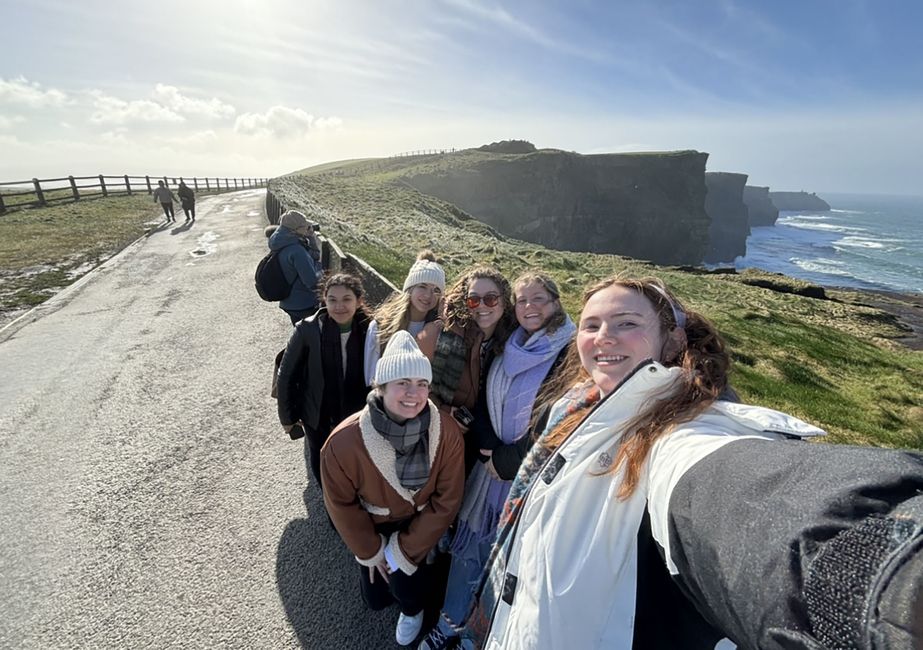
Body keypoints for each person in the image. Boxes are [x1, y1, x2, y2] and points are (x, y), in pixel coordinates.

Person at [462, 275, 923, 649]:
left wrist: (883, 570)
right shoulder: (575, 408)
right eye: (593, 325)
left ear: (672, 339)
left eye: (626, 323)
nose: (604, 338)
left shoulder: (681, 429)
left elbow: (738, 493)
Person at [419, 273, 575, 650]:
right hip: (487, 472)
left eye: (539, 299)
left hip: (528, 477)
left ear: (556, 303)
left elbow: (562, 420)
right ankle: (450, 622)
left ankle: (480, 635)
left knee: (510, 564)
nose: (530, 308)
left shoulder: (569, 354)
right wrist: (489, 447)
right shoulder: (510, 344)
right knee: (470, 551)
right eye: (523, 300)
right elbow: (484, 403)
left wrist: (506, 461)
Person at [321, 331, 466, 646]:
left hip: (421, 523)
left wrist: (404, 550)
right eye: (403, 383)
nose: (414, 394)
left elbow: (448, 498)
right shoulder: (343, 443)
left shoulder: (447, 432)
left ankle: (413, 609)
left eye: (422, 384)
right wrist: (371, 549)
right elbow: (341, 504)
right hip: (373, 525)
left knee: (407, 586)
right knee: (375, 598)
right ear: (381, 386)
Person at [416, 266, 517, 475]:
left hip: (483, 442)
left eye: (490, 299)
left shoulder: (512, 344)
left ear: (504, 301)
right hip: (436, 436)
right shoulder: (437, 335)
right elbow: (411, 386)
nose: (482, 306)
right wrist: (444, 412)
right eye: (473, 300)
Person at [276, 273, 372, 489]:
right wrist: (287, 417)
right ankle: (331, 500)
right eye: (332, 300)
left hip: (357, 413)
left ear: (359, 301)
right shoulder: (307, 330)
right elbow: (286, 375)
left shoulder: (371, 330)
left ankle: (350, 498)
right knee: (321, 458)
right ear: (324, 300)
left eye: (346, 299)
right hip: (317, 414)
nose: (339, 306)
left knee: (354, 459)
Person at [365, 251, 446, 384]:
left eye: (436, 290)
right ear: (410, 289)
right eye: (422, 286)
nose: (428, 295)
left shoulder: (439, 330)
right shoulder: (380, 326)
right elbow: (371, 378)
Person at [268, 210, 320, 325]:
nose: (307, 227)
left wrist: (310, 237)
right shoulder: (297, 251)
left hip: (288, 301)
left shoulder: (279, 242)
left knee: (299, 334)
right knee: (311, 338)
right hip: (303, 303)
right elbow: (311, 281)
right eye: (304, 226)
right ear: (294, 230)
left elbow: (315, 256)